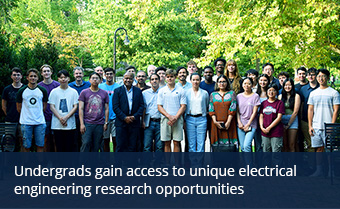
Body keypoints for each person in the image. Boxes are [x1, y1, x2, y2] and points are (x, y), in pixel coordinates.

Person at [308, 69, 340, 152]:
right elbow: (310, 110)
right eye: (319, 76)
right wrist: (310, 126)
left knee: (329, 149)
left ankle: (329, 165)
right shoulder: (313, 93)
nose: (321, 78)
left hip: (328, 126)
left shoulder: (334, 93)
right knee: (318, 149)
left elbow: (336, 110)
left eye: (323, 76)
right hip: (316, 126)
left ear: (328, 78)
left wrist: (332, 126)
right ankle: (319, 166)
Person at [16, 68, 48, 152]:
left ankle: (39, 164)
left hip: (40, 122)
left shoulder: (42, 90)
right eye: (31, 76)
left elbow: (44, 106)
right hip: (26, 123)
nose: (33, 78)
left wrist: (37, 113)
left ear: (38, 78)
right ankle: (27, 164)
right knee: (26, 146)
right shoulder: (22, 91)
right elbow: (19, 107)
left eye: (35, 76)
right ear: (27, 78)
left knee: (40, 145)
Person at [113, 72, 144, 152]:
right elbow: (115, 107)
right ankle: (119, 164)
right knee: (120, 146)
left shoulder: (138, 91)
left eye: (130, 78)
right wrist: (124, 117)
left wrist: (134, 117)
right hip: (121, 123)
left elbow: (141, 106)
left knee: (132, 146)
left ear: (133, 80)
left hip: (134, 122)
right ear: (123, 79)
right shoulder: (117, 91)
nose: (128, 80)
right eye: (126, 78)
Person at [49, 70, 79, 152]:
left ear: (68, 78)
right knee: (59, 146)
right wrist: (60, 118)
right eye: (61, 77)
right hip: (57, 124)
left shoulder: (73, 92)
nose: (63, 79)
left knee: (69, 146)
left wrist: (66, 118)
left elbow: (75, 106)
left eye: (65, 77)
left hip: (70, 124)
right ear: (58, 79)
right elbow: (52, 106)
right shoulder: (54, 92)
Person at [79, 72, 109, 152]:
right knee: (86, 143)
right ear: (89, 80)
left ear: (100, 80)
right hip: (87, 123)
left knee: (97, 145)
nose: (95, 80)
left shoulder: (104, 93)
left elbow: (106, 109)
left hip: (99, 123)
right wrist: (82, 124)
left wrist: (106, 123)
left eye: (97, 78)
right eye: (93, 78)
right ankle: (83, 163)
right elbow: (81, 108)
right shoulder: (84, 92)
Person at [157, 69, 186, 152]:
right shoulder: (162, 91)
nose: (170, 79)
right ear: (165, 78)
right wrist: (169, 116)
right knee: (167, 143)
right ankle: (168, 164)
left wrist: (175, 118)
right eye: (168, 77)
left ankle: (176, 164)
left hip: (177, 119)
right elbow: (159, 106)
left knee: (177, 142)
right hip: (166, 119)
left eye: (172, 77)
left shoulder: (181, 90)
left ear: (175, 77)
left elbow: (183, 106)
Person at [209, 75, 238, 147]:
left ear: (227, 83)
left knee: (230, 147)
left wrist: (228, 122)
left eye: (224, 81)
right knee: (217, 147)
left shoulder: (232, 93)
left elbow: (233, 108)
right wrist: (215, 121)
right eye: (220, 82)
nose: (222, 83)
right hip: (216, 123)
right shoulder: (213, 94)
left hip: (229, 123)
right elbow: (211, 108)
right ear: (217, 83)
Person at [38, 64, 60, 152]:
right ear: (41, 74)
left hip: (57, 116)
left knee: (56, 139)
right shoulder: (39, 86)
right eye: (44, 71)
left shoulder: (57, 85)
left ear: (51, 72)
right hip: (44, 117)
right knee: (45, 140)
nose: (46, 73)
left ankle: (56, 160)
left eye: (48, 71)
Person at [185, 73, 209, 152]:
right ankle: (193, 163)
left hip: (201, 119)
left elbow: (207, 105)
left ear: (200, 80)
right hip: (190, 119)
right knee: (191, 144)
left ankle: (199, 163)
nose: (195, 82)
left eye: (197, 80)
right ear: (190, 81)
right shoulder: (186, 93)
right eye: (193, 80)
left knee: (201, 143)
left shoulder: (204, 93)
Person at [69, 66, 91, 151]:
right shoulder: (70, 86)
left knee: (85, 139)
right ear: (74, 75)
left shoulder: (88, 85)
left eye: (80, 73)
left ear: (83, 74)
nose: (78, 75)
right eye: (77, 73)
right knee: (75, 139)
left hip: (86, 116)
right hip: (73, 116)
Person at [99, 68, 121, 152]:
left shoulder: (118, 87)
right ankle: (106, 161)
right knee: (105, 140)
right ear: (104, 75)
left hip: (115, 118)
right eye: (107, 74)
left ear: (114, 75)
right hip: (104, 118)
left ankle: (116, 160)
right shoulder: (101, 87)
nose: (109, 75)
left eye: (111, 74)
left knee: (116, 140)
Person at [2, 67, 23, 151]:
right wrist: (9, 115)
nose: (16, 77)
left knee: (23, 141)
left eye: (18, 75)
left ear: (21, 76)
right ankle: (9, 161)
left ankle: (23, 161)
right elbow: (3, 105)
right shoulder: (7, 89)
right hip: (10, 120)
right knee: (9, 142)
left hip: (23, 120)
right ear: (11, 76)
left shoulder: (25, 88)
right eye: (14, 75)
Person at [237, 77, 261, 152]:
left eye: (249, 83)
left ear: (252, 85)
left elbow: (255, 112)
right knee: (243, 147)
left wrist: (248, 124)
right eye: (245, 83)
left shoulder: (255, 96)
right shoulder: (238, 96)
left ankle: (249, 164)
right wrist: (239, 122)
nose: (246, 85)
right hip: (241, 124)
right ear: (242, 85)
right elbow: (237, 111)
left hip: (251, 124)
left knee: (247, 146)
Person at [259, 83, 285, 152]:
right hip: (264, 132)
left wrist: (269, 128)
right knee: (266, 153)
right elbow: (261, 116)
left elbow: (279, 117)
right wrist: (262, 127)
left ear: (276, 92)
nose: (271, 92)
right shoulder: (264, 103)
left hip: (276, 132)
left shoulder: (280, 103)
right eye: (269, 90)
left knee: (276, 154)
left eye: (273, 90)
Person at [299, 68, 319, 152]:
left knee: (319, 145)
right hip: (305, 120)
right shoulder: (303, 89)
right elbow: (301, 105)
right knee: (309, 143)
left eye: (313, 74)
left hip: (318, 120)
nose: (310, 76)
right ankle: (311, 164)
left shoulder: (320, 88)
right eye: (309, 75)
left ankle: (320, 164)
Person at [278, 78, 300, 152]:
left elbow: (295, 112)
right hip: (282, 119)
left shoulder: (296, 96)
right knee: (284, 144)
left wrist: (288, 124)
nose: (287, 87)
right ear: (283, 86)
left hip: (292, 119)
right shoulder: (280, 96)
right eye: (286, 85)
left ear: (292, 86)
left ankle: (292, 162)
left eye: (289, 85)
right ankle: (285, 162)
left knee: (291, 144)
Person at [143, 73, 163, 152]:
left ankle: (158, 164)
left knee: (160, 146)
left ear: (159, 80)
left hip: (160, 122)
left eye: (156, 79)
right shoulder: (145, 93)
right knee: (147, 145)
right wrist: (143, 122)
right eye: (152, 79)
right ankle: (147, 164)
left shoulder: (163, 92)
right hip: (149, 122)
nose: (154, 81)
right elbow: (143, 108)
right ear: (150, 81)